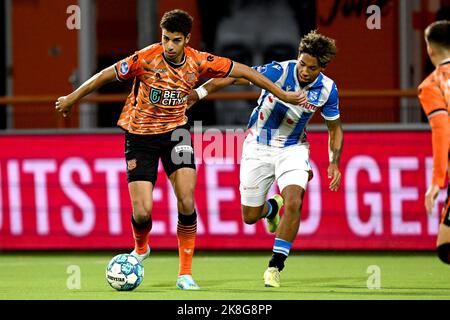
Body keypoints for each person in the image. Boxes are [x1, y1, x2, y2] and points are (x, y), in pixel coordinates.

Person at [55, 9, 306, 290]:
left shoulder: (199, 61)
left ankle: (185, 274)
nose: (169, 46)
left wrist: (282, 94)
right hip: (140, 138)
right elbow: (105, 75)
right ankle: (142, 247)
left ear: (186, 39)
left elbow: (244, 71)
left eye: (175, 40)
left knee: (186, 200)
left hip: (177, 134)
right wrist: (72, 98)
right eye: (165, 39)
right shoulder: (146, 58)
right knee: (142, 212)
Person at [190, 30, 343, 287]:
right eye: (302, 63)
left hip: (293, 148)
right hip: (257, 146)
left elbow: (334, 128)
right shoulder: (279, 71)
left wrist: (333, 160)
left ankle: (275, 266)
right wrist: (199, 94)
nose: (304, 71)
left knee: (295, 202)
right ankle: (273, 207)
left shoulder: (328, 90)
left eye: (312, 68)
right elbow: (234, 76)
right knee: (250, 216)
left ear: (323, 68)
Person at [418, 20, 450, 264]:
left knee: (446, 248)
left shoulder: (431, 85)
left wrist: (437, 181)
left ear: (429, 49)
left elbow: (442, 130)